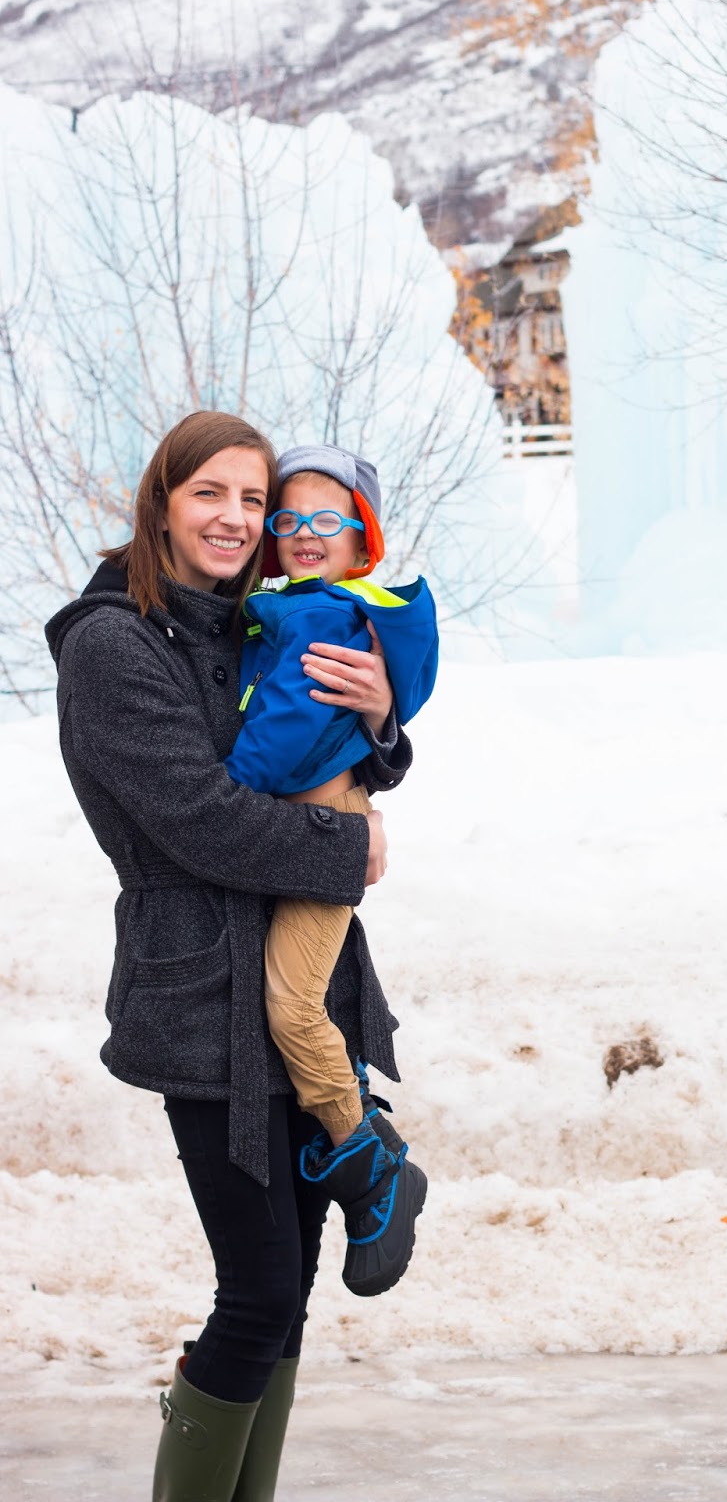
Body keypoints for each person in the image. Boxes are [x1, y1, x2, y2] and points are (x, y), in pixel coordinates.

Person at [44, 412, 416, 1500]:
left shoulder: (243, 620)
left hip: (296, 974)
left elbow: (325, 737)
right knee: (254, 1288)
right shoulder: (114, 644)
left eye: (253, 501)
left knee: (287, 1288)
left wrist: (384, 721)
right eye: (212, 493)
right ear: (162, 498)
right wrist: (350, 840)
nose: (237, 518)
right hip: (202, 990)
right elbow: (200, 818)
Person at [224, 443, 437, 1297]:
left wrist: (223, 790)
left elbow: (281, 735)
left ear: (362, 538)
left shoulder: (320, 618)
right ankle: (339, 1112)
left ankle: (370, 1160)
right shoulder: (293, 605)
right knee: (287, 992)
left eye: (326, 521)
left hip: (319, 829)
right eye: (289, 520)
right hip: (303, 825)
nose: (303, 535)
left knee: (291, 1000)